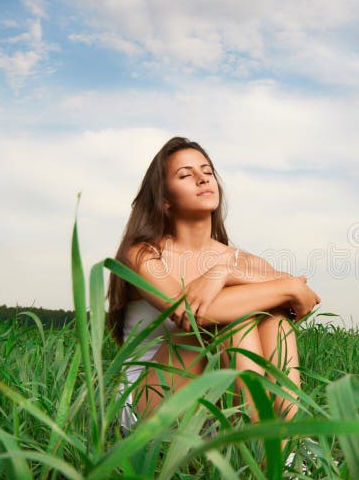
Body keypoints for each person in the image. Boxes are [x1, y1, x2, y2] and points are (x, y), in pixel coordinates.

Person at [107, 137, 321, 431]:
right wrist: (283, 286)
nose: (202, 178)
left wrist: (223, 272)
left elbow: (303, 303)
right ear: (164, 199)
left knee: (277, 321)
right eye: (185, 174)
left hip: (215, 405)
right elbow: (190, 316)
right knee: (232, 324)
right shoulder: (143, 253)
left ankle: (286, 451)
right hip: (150, 401)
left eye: (206, 171)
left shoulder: (243, 261)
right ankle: (260, 449)